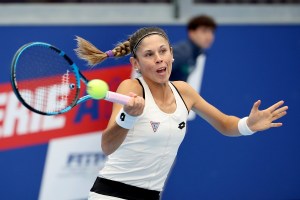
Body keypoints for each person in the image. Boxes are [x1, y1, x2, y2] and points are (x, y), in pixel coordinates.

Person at [75, 27, 288, 200]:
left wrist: (248, 125)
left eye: (163, 51)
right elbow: (107, 146)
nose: (159, 59)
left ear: (172, 54)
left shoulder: (184, 91)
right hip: (111, 195)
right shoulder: (131, 87)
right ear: (136, 64)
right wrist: (128, 117)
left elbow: (224, 123)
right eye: (149, 54)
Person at [171, 15, 216, 120]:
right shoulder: (183, 52)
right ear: (191, 33)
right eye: (204, 31)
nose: (209, 36)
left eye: (211, 32)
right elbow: (153, 74)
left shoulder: (196, 53)